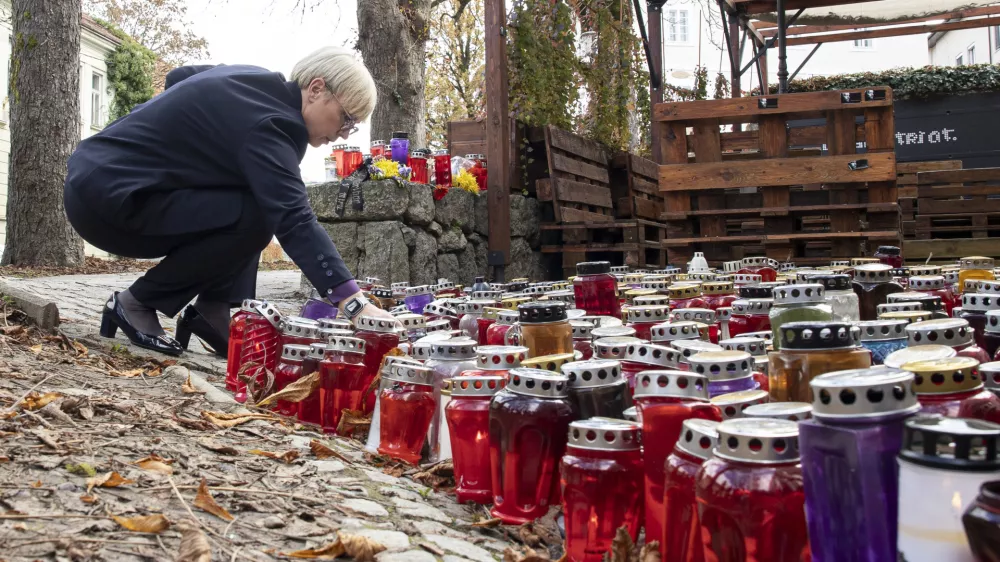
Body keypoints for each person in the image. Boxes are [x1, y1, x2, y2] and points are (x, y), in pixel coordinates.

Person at [63, 46, 398, 357]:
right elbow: (295, 220)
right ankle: (136, 302)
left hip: (96, 180)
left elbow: (181, 75)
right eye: (347, 118)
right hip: (109, 202)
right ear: (316, 89)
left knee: (254, 195)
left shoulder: (252, 80)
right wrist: (353, 303)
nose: (344, 134)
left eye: (353, 127)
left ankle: (213, 309)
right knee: (258, 216)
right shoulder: (274, 125)